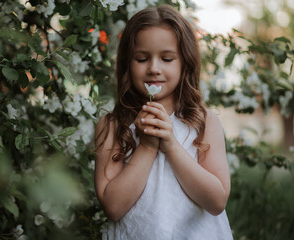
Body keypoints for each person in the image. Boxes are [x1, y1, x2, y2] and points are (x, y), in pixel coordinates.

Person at [95, 4, 233, 240]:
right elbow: (113, 207)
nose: (154, 68)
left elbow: (216, 201)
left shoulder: (203, 122)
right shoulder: (113, 125)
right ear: (128, 62)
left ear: (185, 63)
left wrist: (171, 145)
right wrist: (147, 146)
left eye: (167, 58)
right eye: (142, 58)